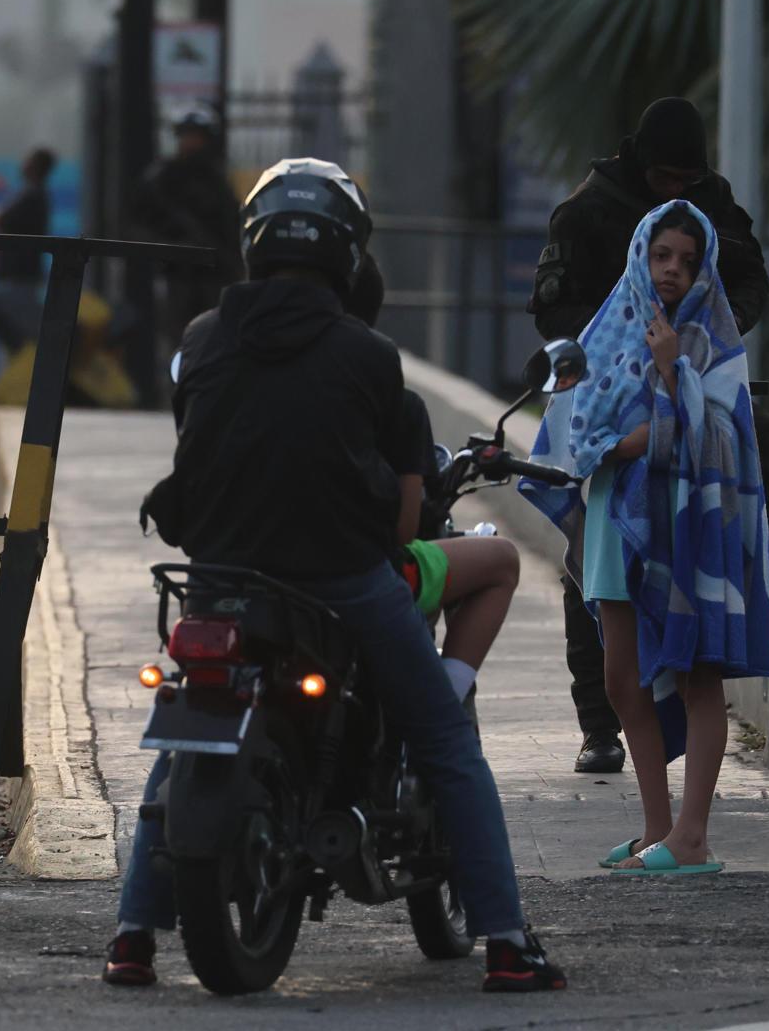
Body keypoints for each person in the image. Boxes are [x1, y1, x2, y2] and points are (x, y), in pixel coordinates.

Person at [108, 158, 565, 993]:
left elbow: (197, 450)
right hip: (340, 583)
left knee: (182, 740)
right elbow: (398, 523)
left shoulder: (201, 338)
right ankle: (504, 939)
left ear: (251, 243)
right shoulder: (368, 356)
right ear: (348, 255)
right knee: (445, 738)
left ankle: (132, 933)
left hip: (216, 579)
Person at [530, 96, 769, 777]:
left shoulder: (708, 198)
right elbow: (554, 309)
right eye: (666, 182)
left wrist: (713, 330)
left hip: (697, 385)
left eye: (687, 180)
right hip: (612, 395)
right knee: (593, 557)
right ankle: (599, 726)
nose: (678, 193)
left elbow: (749, 274)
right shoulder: (586, 211)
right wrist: (625, 335)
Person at [520, 201, 769, 874]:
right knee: (621, 676)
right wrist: (610, 444)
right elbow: (573, 428)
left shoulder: (710, 336)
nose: (671, 270)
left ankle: (692, 837)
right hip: (613, 517)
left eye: (686, 261)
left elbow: (722, 435)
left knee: (695, 673)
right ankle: (656, 829)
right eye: (662, 255)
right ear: (641, 254)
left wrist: (668, 374)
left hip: (686, 522)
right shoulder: (609, 324)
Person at [345, 253, 522, 701]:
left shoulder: (229, 362)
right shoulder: (394, 400)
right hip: (363, 576)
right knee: (501, 558)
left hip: (249, 568)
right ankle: (445, 701)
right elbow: (404, 529)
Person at [130, 102, 245, 354]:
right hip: (177, 274)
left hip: (214, 274)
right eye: (187, 136)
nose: (192, 143)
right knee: (180, 343)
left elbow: (230, 225)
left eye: (197, 137)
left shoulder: (216, 179)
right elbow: (138, 224)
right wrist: (171, 247)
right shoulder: (161, 178)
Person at [0, 146, 57, 352]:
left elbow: (0, 217)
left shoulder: (32, 194)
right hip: (20, 275)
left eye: (29, 161)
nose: (23, 164)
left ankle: (28, 372)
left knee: (18, 329)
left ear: (36, 166)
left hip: (19, 275)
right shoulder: (34, 193)